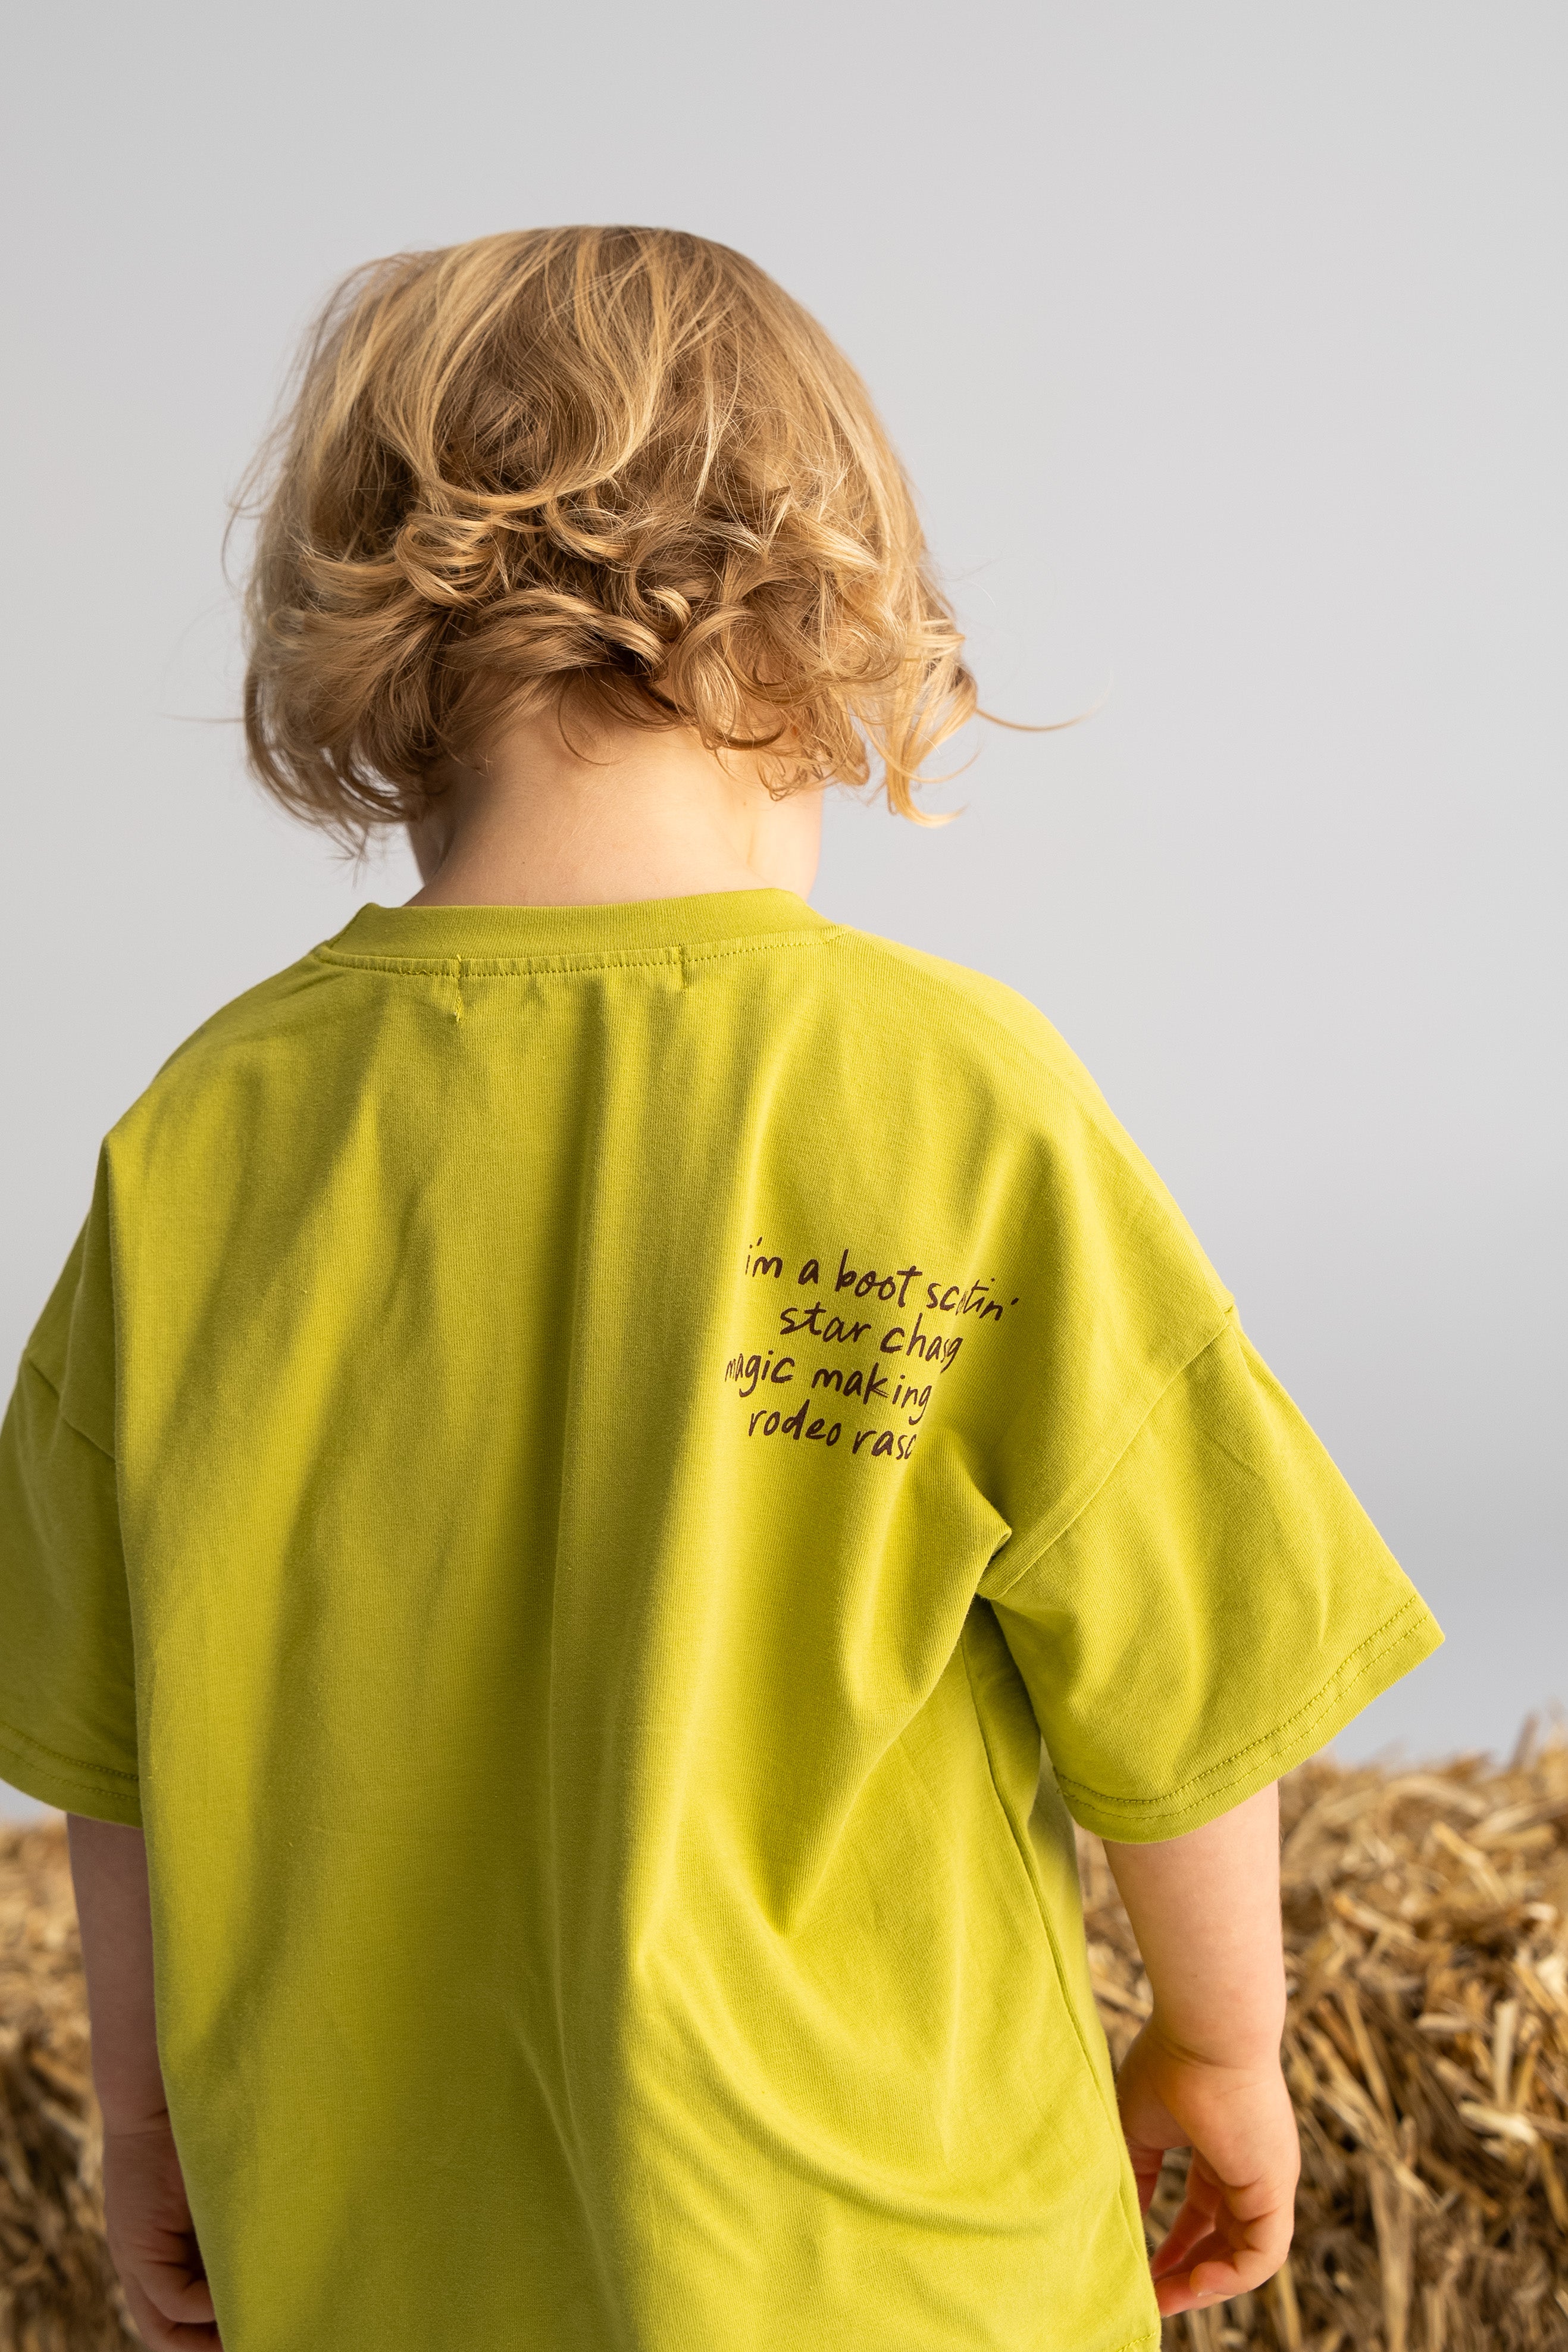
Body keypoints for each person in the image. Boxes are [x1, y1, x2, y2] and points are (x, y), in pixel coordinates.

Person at [0, 226, 1441, 2352]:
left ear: (362, 621)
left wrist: (143, 2136)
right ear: (834, 600)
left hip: (378, 2265)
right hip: (902, 2265)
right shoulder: (955, 1098)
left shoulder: (202, 1135)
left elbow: (110, 1759)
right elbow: (1182, 1672)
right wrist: (1222, 2053)